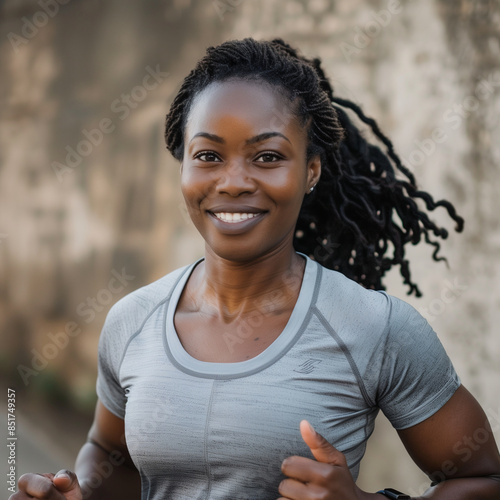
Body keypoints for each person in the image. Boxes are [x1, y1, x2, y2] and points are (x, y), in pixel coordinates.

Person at [12, 37, 500, 500]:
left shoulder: (377, 327)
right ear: (182, 166)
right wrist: (79, 492)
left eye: (267, 157)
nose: (233, 181)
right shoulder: (132, 319)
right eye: (208, 156)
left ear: (310, 171)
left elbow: (484, 479)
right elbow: (109, 454)